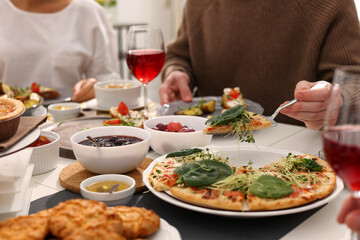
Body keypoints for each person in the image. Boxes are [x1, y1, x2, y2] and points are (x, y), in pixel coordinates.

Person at [159, 0, 360, 130]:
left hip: (295, 164)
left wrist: (336, 105)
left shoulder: (331, 4)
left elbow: (355, 81)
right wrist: (177, 72)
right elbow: (179, 55)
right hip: (199, 150)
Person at [0, 0, 120, 102]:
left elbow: (110, 83)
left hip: (71, 121)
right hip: (7, 123)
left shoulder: (90, 12)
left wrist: (95, 88)